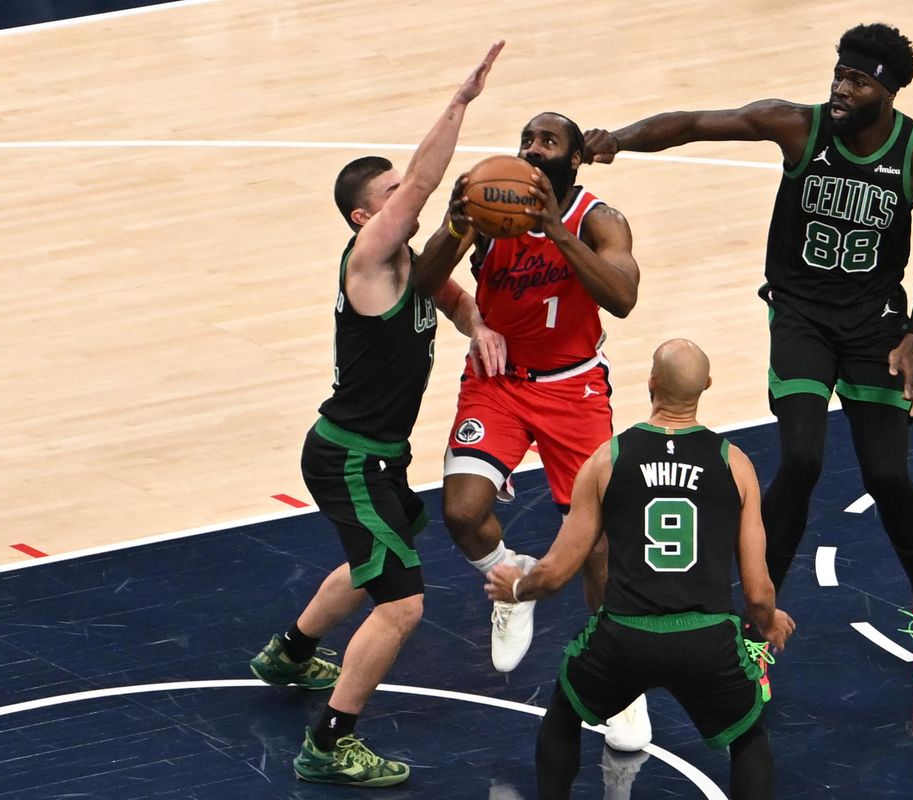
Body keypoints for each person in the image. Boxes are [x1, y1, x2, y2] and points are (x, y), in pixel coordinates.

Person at [583, 22, 913, 691]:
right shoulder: (799, 127)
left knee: (888, 478)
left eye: (858, 79)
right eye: (839, 73)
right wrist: (619, 138)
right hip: (802, 315)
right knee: (802, 459)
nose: (841, 87)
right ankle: (757, 628)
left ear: (890, 89)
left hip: (876, 326)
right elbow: (697, 123)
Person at [246, 41, 506, 788]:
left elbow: (450, 295)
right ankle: (330, 742)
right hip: (350, 455)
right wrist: (459, 103)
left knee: (376, 563)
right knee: (403, 605)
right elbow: (425, 182)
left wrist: (479, 326)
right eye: (390, 194)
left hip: (375, 453)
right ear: (367, 216)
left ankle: (291, 653)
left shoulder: (410, 270)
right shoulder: (368, 259)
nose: (406, 199)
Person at [415, 112, 650, 748]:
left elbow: (624, 299)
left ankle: (615, 678)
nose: (532, 150)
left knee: (596, 542)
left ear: (574, 160)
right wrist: (458, 230)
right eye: (527, 139)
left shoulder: (599, 220)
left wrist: (557, 235)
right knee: (462, 513)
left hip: (574, 387)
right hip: (498, 380)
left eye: (548, 142)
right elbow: (422, 276)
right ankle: (511, 582)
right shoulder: (488, 201)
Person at [486, 339, 795, 800]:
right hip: (706, 640)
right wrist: (769, 622)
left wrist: (517, 587)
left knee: (564, 714)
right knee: (749, 735)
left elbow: (555, 572)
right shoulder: (735, 464)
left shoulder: (607, 459)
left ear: (650, 383)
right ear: (707, 387)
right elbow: (757, 590)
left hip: (625, 636)